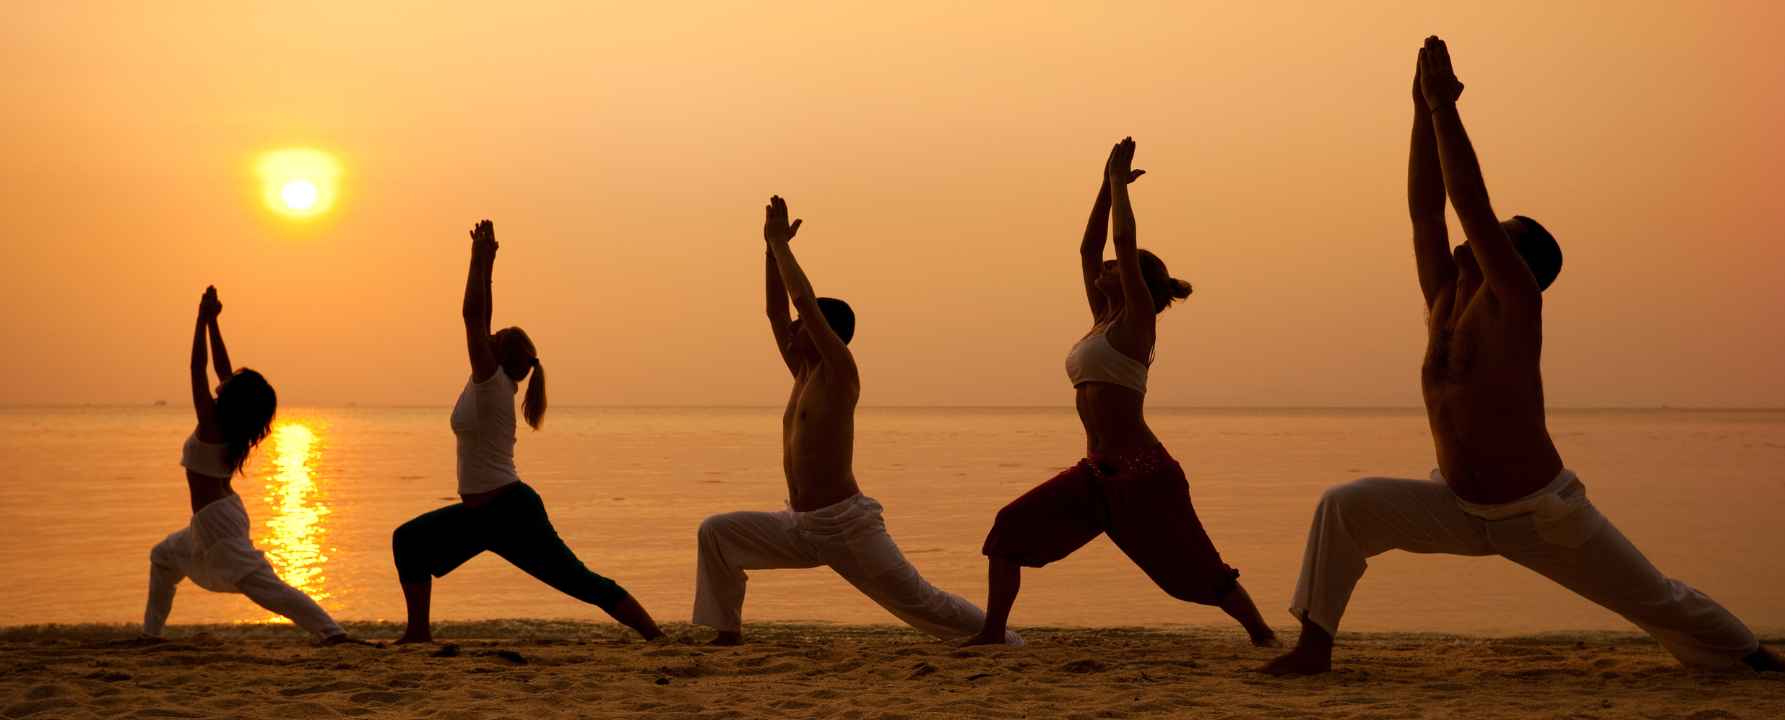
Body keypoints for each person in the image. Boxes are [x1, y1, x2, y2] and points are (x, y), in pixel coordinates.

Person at [1259, 37, 1783, 675]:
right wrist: (1419, 112)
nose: (1473, 238)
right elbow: (1426, 212)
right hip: (1456, 506)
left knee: (1655, 600)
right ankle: (1313, 650)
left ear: (1516, 265)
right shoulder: (1447, 299)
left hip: (1541, 515)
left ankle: (1754, 658)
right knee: (1345, 506)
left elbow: (1467, 206)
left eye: (1496, 238)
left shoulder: (1514, 302)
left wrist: (1446, 108)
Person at [963, 139, 1277, 647]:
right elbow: (1088, 249)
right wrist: (1103, 185)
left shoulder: (1136, 321)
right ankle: (993, 632)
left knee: (1195, 574)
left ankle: (1261, 634)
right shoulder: (1099, 320)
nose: (1104, 266)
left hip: (1145, 478)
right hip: (1095, 475)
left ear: (1136, 282)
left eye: (1114, 267)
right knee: (1010, 529)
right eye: (1105, 267)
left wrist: (1119, 187)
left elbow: (1124, 246)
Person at [691, 196, 1019, 646]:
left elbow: (802, 302)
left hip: (845, 525)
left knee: (921, 601)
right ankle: (727, 633)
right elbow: (776, 311)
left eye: (802, 325)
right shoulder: (802, 373)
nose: (791, 329)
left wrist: (781, 246)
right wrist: (769, 250)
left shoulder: (839, 372)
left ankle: (1000, 638)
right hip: (800, 525)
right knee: (717, 533)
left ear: (826, 332)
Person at [390, 220, 663, 644]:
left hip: (510, 514)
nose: (487, 336)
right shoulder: (490, 382)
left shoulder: (491, 385)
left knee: (579, 581)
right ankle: (418, 633)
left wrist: (475, 258)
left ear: (497, 355)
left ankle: (654, 635)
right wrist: (490, 263)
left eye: (493, 339)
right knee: (409, 542)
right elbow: (483, 318)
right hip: (483, 515)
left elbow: (472, 316)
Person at [144, 286, 354, 643]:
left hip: (218, 523)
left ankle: (331, 632)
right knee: (163, 558)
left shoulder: (212, 425)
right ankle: (150, 636)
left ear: (233, 400)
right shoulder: (230, 427)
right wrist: (213, 323)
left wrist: (199, 318)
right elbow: (222, 372)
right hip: (211, 518)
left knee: (265, 587)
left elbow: (198, 368)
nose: (222, 384)